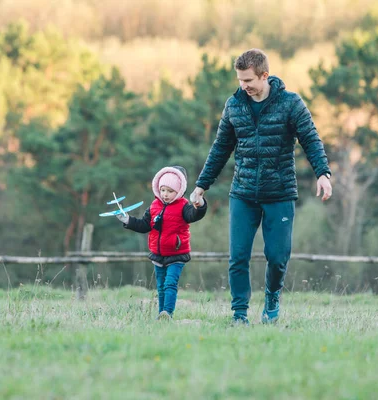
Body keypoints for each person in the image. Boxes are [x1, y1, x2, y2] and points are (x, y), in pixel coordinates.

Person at [189, 49, 332, 325]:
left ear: (264, 76)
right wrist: (201, 185)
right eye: (241, 81)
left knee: (277, 257)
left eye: (249, 81)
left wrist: (323, 173)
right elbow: (220, 148)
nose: (244, 86)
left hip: (279, 193)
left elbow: (311, 139)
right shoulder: (234, 106)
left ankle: (272, 297)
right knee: (238, 257)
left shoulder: (290, 104)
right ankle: (239, 314)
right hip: (243, 193)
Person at [117, 166, 207, 320]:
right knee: (160, 287)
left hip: (177, 254)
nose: (165, 194)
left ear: (178, 191)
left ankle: (168, 313)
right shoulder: (153, 206)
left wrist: (200, 205)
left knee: (170, 284)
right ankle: (161, 315)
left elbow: (194, 215)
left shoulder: (184, 207)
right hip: (158, 255)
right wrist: (128, 221)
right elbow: (144, 225)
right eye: (163, 190)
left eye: (170, 191)